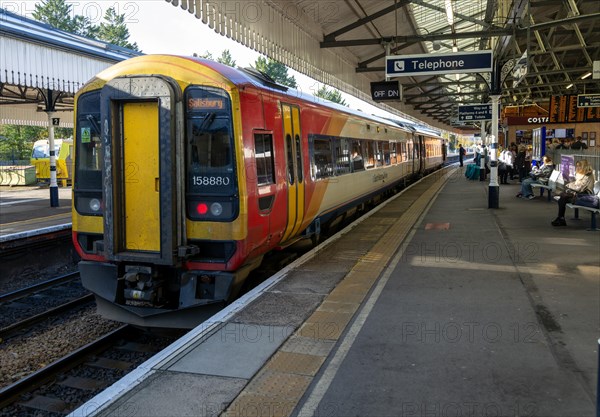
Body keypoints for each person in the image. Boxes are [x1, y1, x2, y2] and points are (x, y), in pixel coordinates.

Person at [551, 159, 595, 226]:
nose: (577, 168)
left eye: (579, 166)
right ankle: (561, 218)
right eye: (577, 166)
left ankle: (561, 219)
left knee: (562, 198)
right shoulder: (580, 174)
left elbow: (580, 188)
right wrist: (570, 186)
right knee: (562, 198)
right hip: (578, 194)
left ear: (584, 167)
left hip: (585, 196)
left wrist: (569, 186)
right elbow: (575, 184)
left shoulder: (588, 175)